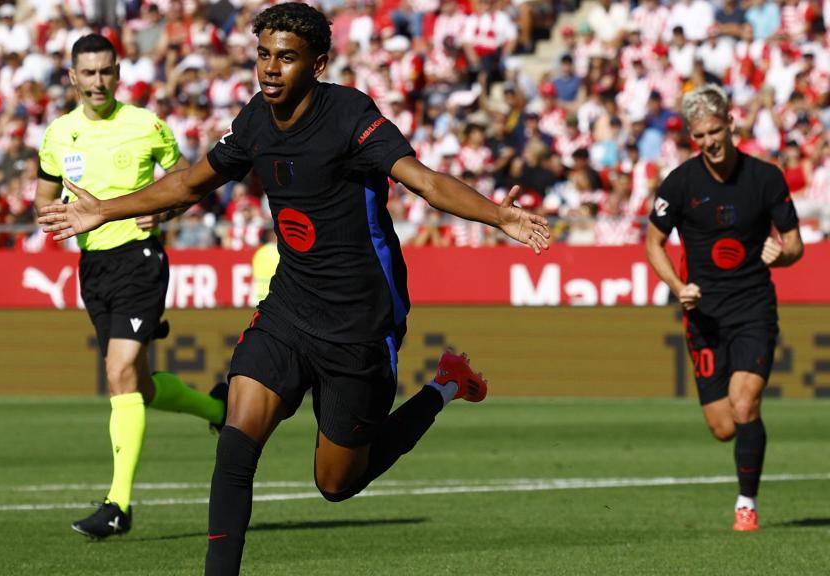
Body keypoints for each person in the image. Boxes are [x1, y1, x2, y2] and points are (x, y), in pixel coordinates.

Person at [38, 5, 550, 573]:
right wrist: (104, 210)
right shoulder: (255, 119)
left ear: (318, 64)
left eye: (285, 57)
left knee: (336, 483)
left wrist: (498, 215)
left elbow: (426, 182)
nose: (270, 68)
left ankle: (445, 386)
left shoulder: (350, 115)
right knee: (236, 442)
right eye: (263, 55)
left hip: (358, 318)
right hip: (289, 304)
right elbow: (188, 183)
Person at [34, 33, 227, 539]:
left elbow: (188, 180)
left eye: (106, 71)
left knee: (118, 372)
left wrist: (165, 212)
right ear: (72, 77)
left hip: (140, 259)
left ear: (118, 74)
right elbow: (42, 196)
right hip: (93, 267)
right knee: (137, 384)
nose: (98, 81)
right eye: (88, 72)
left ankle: (118, 505)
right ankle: (218, 408)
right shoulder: (58, 134)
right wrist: (52, 213)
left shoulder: (146, 125)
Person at [645, 84, 804, 532]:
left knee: (744, 403)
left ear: (731, 124)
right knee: (723, 426)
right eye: (699, 136)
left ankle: (746, 504)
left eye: (714, 131)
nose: (709, 142)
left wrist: (782, 255)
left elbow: (795, 245)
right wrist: (678, 287)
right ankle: (747, 441)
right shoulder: (679, 183)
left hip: (754, 307)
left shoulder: (765, 177)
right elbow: (653, 243)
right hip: (704, 316)